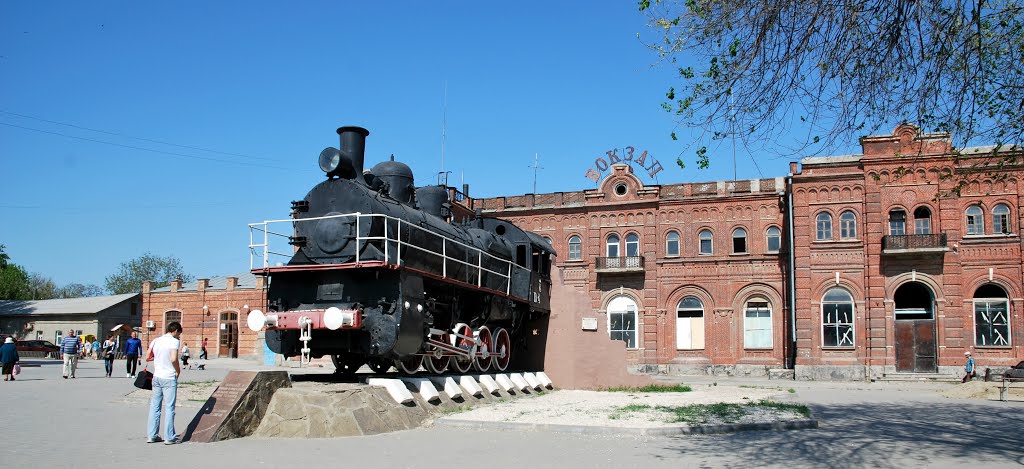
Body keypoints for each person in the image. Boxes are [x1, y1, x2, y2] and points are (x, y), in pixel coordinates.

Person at [147, 321, 182, 445]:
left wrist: (160, 360)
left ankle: (152, 435)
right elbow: (173, 359)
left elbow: (147, 356)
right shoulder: (174, 341)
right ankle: (169, 437)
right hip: (168, 377)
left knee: (155, 407)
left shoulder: (156, 340)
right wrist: (178, 370)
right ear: (176, 330)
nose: (179, 336)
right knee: (169, 407)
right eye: (179, 334)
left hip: (157, 376)